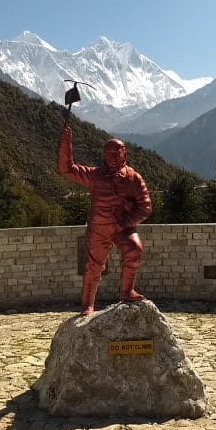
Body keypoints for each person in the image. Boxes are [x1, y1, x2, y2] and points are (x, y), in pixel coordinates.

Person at [57, 116, 152, 316]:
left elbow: (145, 207)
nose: (111, 158)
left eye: (115, 154)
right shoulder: (94, 175)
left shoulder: (134, 178)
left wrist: (124, 223)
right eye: (107, 154)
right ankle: (87, 305)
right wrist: (66, 143)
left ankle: (127, 291)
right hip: (98, 228)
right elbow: (66, 169)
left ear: (124, 154)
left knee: (135, 249)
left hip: (122, 227)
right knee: (93, 267)